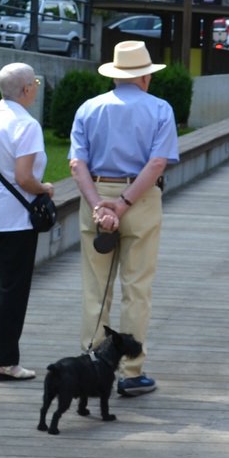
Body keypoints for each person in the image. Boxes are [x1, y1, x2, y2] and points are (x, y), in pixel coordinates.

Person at [68, 41, 179, 397]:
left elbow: (76, 163)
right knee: (136, 289)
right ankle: (130, 372)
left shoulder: (88, 108)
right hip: (141, 200)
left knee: (94, 290)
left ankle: (91, 366)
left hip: (96, 197)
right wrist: (126, 203)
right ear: (145, 75)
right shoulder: (160, 109)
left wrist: (100, 203)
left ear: (116, 74)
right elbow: (157, 163)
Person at [0, 62, 56, 382]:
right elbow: (24, 178)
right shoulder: (27, 125)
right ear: (25, 89)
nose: (36, 86)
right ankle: (4, 361)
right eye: (34, 81)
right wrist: (44, 188)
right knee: (12, 288)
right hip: (16, 218)